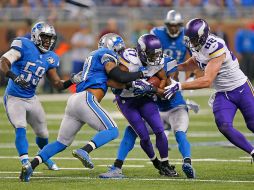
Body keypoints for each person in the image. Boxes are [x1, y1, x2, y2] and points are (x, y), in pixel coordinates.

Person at [20, 33, 153, 182]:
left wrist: (136, 85)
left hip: (74, 101)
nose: (120, 53)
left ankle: (30, 166)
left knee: (61, 143)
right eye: (119, 49)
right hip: (86, 100)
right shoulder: (105, 54)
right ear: (113, 47)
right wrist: (141, 73)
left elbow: (115, 82)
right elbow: (119, 76)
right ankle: (85, 150)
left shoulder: (93, 60)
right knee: (112, 130)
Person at [164, 18, 254, 162]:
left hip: (241, 88)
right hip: (223, 93)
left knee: (252, 124)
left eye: (194, 39)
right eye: (190, 39)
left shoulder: (216, 46)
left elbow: (207, 80)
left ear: (203, 36)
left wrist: (180, 85)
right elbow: (195, 62)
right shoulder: (195, 44)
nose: (192, 43)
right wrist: (176, 66)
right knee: (224, 125)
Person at [0, 21, 82, 180]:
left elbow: (57, 84)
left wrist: (72, 80)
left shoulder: (51, 57)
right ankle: (25, 163)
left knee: (43, 134)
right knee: (20, 126)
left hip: (31, 98)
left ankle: (44, 157)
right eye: (45, 37)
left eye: (51, 38)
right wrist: (14, 77)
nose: (48, 41)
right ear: (36, 36)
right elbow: (4, 62)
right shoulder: (23, 44)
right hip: (14, 97)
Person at [100, 34, 179, 178]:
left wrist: (152, 88)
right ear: (141, 51)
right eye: (150, 54)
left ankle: (166, 164)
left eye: (156, 54)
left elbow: (163, 84)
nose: (154, 58)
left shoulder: (157, 61)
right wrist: (133, 83)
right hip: (126, 101)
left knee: (159, 130)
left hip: (144, 98)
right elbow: (112, 81)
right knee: (143, 136)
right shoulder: (129, 58)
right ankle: (156, 163)